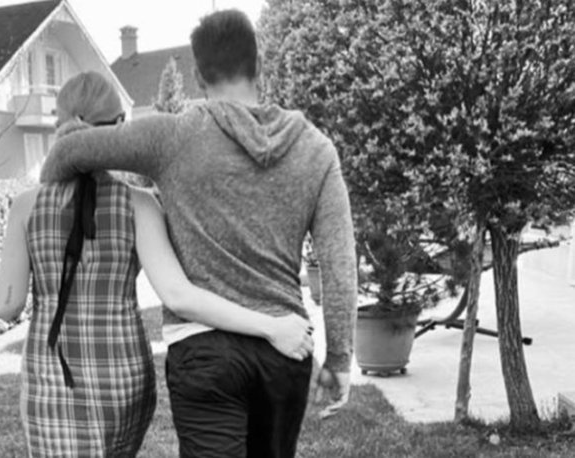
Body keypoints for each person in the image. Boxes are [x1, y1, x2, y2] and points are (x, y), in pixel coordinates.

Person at [38, 10, 358, 458]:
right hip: (284, 351)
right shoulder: (316, 151)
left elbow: (68, 150)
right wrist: (339, 358)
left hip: (204, 352)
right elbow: (340, 263)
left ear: (197, 75)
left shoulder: (173, 135)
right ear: (259, 64)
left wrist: (48, 203)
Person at [0, 71, 315, 458]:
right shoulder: (139, 204)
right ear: (119, 128)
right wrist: (271, 326)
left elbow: (6, 306)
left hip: (50, 379)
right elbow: (179, 296)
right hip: (122, 377)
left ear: (59, 125)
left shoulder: (26, 206)